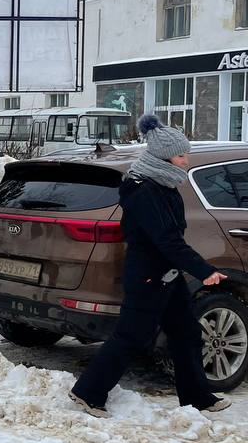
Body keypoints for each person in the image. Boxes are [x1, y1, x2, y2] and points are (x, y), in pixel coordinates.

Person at [70, 113, 232, 417]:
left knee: (186, 334)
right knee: (131, 337)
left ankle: (198, 397)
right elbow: (167, 240)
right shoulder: (145, 191)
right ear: (163, 157)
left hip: (167, 277)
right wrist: (204, 270)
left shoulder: (163, 185)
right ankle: (88, 392)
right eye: (182, 156)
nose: (186, 161)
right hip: (148, 277)